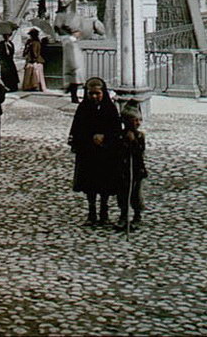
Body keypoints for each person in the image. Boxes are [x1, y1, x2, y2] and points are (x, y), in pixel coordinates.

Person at [68, 77, 122, 226]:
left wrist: (105, 137)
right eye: (91, 93)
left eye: (97, 93)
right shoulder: (83, 108)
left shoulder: (110, 109)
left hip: (105, 153)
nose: (94, 97)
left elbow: (116, 129)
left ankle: (104, 211)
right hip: (88, 152)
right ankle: (91, 211)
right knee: (89, 184)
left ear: (103, 93)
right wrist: (89, 137)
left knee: (105, 183)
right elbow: (77, 129)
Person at [115, 100, 148, 231]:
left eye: (139, 120)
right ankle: (123, 216)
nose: (137, 123)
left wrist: (133, 141)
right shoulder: (120, 135)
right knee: (122, 194)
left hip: (136, 169)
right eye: (134, 120)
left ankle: (137, 216)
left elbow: (140, 152)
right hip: (123, 169)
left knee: (136, 194)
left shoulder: (140, 136)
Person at [62, 29, 84, 103]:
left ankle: (71, 94)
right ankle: (73, 97)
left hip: (76, 65)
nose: (80, 34)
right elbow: (70, 55)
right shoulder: (69, 43)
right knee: (74, 83)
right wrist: (73, 65)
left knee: (75, 83)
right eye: (78, 32)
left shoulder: (74, 42)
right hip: (74, 66)